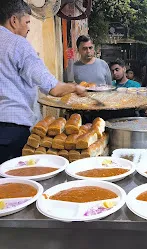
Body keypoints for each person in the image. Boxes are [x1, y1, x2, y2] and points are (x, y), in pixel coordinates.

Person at [0, 0, 87, 164]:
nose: (28, 28)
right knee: (15, 184)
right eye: (26, 22)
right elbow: (52, 88)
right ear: (13, 21)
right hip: (12, 130)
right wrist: (75, 88)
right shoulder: (18, 44)